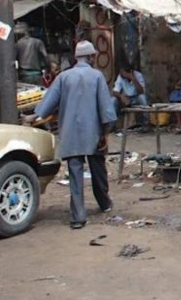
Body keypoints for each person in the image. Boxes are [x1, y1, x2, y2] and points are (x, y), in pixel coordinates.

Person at [31, 40, 117, 229]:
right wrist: (106, 133)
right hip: (93, 133)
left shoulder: (63, 77)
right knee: (98, 171)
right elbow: (106, 109)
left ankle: (78, 216)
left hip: (70, 134)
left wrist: (33, 117)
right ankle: (104, 203)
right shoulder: (96, 76)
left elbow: (47, 104)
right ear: (92, 57)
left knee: (75, 175)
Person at [15, 22, 49, 86]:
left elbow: (12, 61)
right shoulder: (38, 42)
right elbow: (45, 56)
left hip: (24, 75)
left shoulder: (17, 44)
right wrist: (48, 70)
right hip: (37, 75)